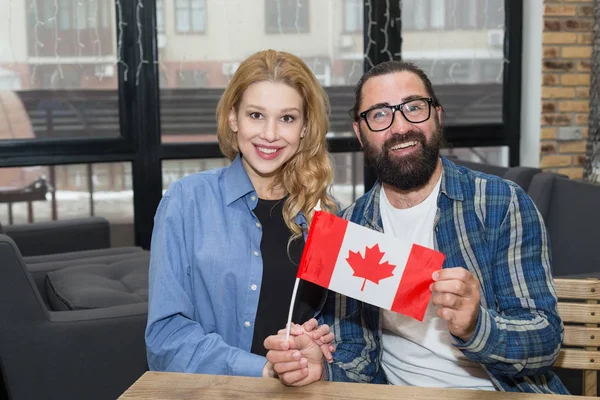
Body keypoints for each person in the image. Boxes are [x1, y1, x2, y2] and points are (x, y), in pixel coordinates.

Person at [264, 60, 569, 394]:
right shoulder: (350, 229)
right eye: (380, 114)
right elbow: (359, 356)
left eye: (414, 107)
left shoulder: (500, 203)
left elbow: (544, 341)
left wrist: (476, 325)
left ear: (437, 115)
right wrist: (322, 366)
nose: (400, 127)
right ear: (359, 132)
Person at [145, 49, 338, 378]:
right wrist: (263, 370)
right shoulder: (186, 202)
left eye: (287, 118)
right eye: (256, 115)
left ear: (305, 127)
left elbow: (334, 327)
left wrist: (317, 348)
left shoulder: (321, 213)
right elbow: (166, 339)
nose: (270, 134)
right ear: (233, 118)